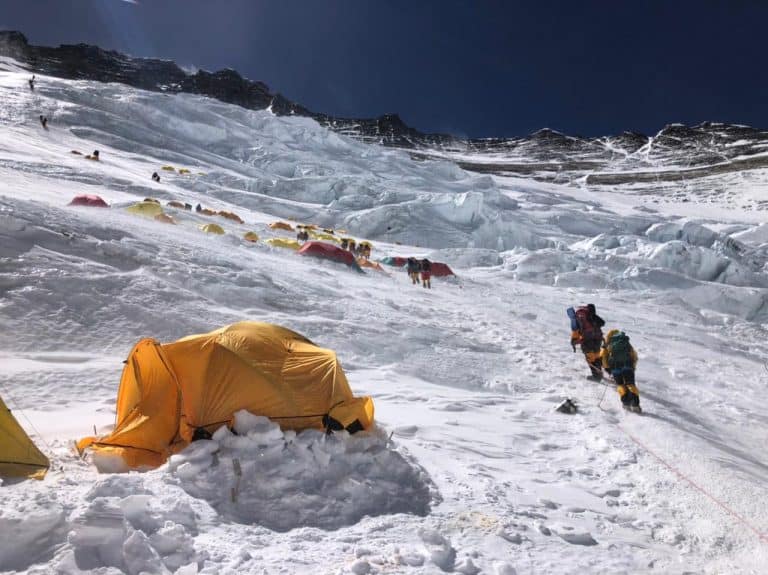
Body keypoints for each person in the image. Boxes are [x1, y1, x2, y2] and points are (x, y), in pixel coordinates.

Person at [601, 329, 641, 412]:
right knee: (630, 384)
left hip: (615, 368)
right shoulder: (626, 343)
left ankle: (626, 403)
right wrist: (633, 367)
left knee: (620, 385)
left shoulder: (608, 344)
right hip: (628, 366)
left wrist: (607, 368)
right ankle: (635, 405)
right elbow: (634, 355)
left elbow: (603, 357)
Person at [569, 303, 605, 381]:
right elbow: (602, 323)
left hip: (587, 340)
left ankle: (596, 376)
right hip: (598, 338)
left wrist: (573, 341)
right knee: (596, 355)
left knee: (590, 358)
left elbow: (575, 330)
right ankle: (599, 373)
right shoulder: (592, 316)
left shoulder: (577, 318)